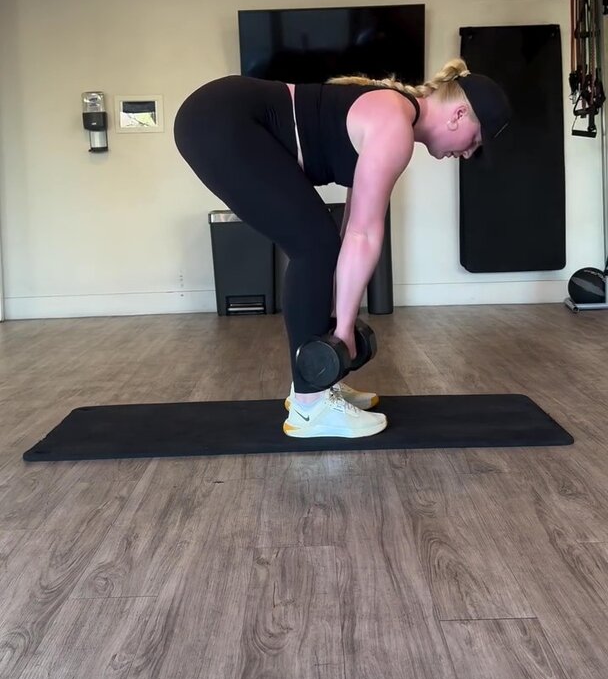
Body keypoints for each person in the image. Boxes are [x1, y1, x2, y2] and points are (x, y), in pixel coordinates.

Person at [173, 58, 511, 441]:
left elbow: (352, 228)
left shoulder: (392, 113)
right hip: (219, 120)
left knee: (320, 243)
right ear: (459, 115)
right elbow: (364, 236)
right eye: (476, 140)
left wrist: (336, 319)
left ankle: (318, 386)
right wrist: (344, 328)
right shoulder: (394, 126)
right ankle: (311, 406)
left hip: (219, 114)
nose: (468, 153)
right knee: (313, 246)